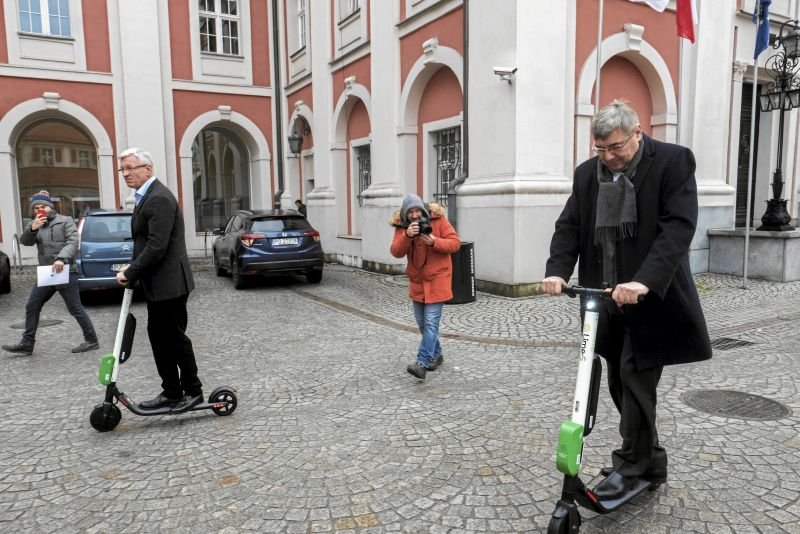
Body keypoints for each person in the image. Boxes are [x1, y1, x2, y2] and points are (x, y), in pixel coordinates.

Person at [541, 99, 712, 499]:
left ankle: (630, 465)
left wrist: (644, 282)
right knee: (619, 380)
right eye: (600, 149)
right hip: (603, 297)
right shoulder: (588, 174)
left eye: (616, 147)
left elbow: (677, 229)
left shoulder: (673, 162)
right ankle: (650, 459)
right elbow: (570, 226)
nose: (609, 157)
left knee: (635, 376)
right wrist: (557, 270)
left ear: (637, 133)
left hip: (650, 297)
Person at [115, 148, 204, 411]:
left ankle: (193, 391)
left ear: (148, 169)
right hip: (159, 284)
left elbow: (157, 246)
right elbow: (147, 243)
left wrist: (130, 272)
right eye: (123, 169)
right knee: (159, 337)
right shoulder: (146, 196)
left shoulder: (159, 198)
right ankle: (172, 391)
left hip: (170, 284)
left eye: (131, 167)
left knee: (174, 339)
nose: (126, 173)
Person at [2, 191, 99, 355]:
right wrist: (33, 228)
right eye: (37, 208)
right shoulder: (34, 224)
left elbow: (73, 241)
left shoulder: (65, 221)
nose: (40, 210)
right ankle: (27, 343)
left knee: (75, 308)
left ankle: (91, 340)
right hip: (47, 273)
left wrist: (61, 258)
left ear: (50, 207)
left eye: (43, 207)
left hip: (65, 271)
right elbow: (25, 242)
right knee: (32, 305)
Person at [390, 194, 460, 380]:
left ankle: (422, 363)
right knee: (422, 324)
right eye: (410, 212)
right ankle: (436, 354)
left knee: (430, 323)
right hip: (417, 282)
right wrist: (407, 236)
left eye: (417, 210)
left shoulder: (438, 220)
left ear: (423, 210)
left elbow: (455, 244)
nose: (414, 215)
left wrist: (435, 241)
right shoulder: (402, 228)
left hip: (438, 280)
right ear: (405, 214)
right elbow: (396, 252)